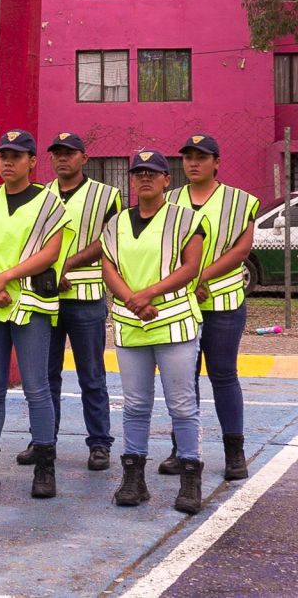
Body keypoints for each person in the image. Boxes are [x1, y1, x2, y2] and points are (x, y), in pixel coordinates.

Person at [0, 130, 71, 499]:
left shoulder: (50, 203)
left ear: (32, 161)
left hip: (29, 304)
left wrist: (5, 278)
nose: (7, 162)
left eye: (16, 156)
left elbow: (51, 253)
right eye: (2, 155)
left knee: (36, 388)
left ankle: (45, 468)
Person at [101, 149, 206, 514]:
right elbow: (109, 268)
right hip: (132, 325)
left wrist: (147, 294)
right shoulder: (115, 224)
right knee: (135, 405)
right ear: (131, 180)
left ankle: (190, 477)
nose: (144, 178)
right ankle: (134, 478)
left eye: (153, 172)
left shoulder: (186, 220)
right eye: (138, 173)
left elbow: (191, 267)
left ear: (167, 180)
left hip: (174, 323)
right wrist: (132, 299)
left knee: (181, 405)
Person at [16, 133, 121, 471]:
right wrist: (49, 268)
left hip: (86, 298)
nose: (62, 159)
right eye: (57, 153)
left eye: (70, 153)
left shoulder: (106, 195)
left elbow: (108, 239)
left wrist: (65, 264)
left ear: (84, 158)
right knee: (45, 374)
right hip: (45, 296)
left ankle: (100, 443)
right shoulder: (39, 195)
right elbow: (29, 240)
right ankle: (43, 440)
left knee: (91, 374)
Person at [162, 135, 259, 481]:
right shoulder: (168, 200)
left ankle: (235, 452)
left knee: (223, 375)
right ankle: (182, 449)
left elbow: (240, 251)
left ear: (216, 162)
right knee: (182, 380)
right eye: (187, 156)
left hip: (223, 302)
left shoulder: (239, 201)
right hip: (180, 303)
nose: (193, 162)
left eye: (201, 157)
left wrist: (199, 276)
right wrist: (185, 280)